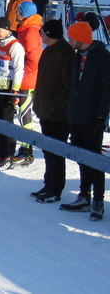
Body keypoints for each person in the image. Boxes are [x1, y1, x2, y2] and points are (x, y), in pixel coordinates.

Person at [59, 21, 110, 221]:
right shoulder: (76, 56)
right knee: (81, 157)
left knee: (94, 159)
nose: (70, 40)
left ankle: (98, 200)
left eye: (72, 37)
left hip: (92, 117)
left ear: (81, 38)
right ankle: (84, 196)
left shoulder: (102, 58)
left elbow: (107, 90)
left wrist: (100, 115)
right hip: (76, 115)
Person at [30, 19, 72, 203]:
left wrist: (54, 104)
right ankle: (48, 184)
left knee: (56, 152)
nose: (40, 35)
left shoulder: (64, 53)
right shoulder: (49, 50)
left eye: (43, 32)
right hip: (46, 110)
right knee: (48, 151)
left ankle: (56, 188)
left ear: (50, 34)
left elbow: (68, 87)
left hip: (57, 114)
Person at [0, 17, 25, 168]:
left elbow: (19, 70)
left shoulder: (15, 46)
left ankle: (9, 156)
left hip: (9, 88)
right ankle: (0, 154)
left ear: (7, 29)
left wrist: (15, 90)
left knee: (7, 122)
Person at [14, 1, 43, 163]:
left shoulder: (30, 32)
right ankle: (25, 148)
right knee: (22, 115)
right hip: (24, 78)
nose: (15, 13)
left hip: (27, 80)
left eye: (18, 11)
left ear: (23, 14)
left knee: (25, 116)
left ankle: (27, 150)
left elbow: (34, 59)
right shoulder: (24, 29)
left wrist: (22, 74)